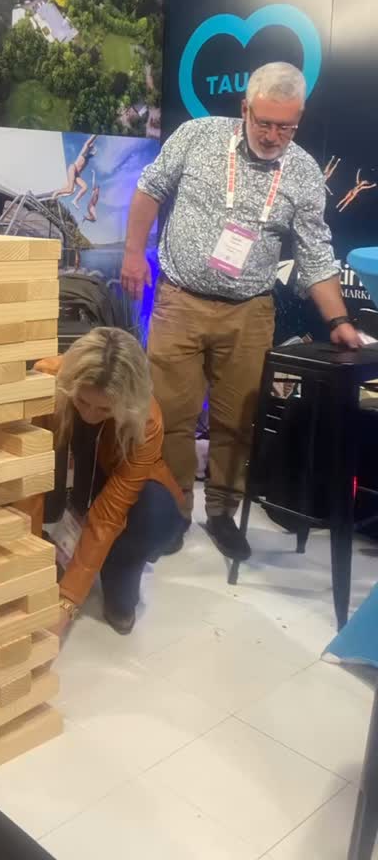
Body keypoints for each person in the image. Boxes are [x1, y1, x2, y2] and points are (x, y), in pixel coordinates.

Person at [121, 61, 359, 562]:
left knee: (239, 421)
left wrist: (338, 321)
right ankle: (174, 509)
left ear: (299, 119)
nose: (273, 136)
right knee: (172, 416)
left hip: (250, 312)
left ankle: (223, 513)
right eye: (264, 122)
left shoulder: (302, 172)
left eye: (286, 126)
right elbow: (149, 188)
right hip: (179, 301)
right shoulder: (197, 137)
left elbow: (315, 251)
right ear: (244, 108)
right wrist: (130, 253)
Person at [19, 327, 186, 639]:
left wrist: (67, 603)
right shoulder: (46, 380)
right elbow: (30, 482)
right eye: (82, 402)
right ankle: (51, 554)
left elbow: (109, 513)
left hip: (117, 484)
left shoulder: (146, 420)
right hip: (71, 473)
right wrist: (29, 560)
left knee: (155, 514)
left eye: (105, 409)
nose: (91, 414)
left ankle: (122, 563)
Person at [52, 134, 97, 206]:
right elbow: (87, 143)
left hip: (77, 175)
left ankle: (75, 200)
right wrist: (95, 136)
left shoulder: (88, 158)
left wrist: (93, 149)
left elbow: (93, 153)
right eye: (90, 147)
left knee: (85, 187)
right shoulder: (83, 153)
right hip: (73, 168)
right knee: (70, 189)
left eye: (92, 147)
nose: (91, 147)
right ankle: (56, 192)